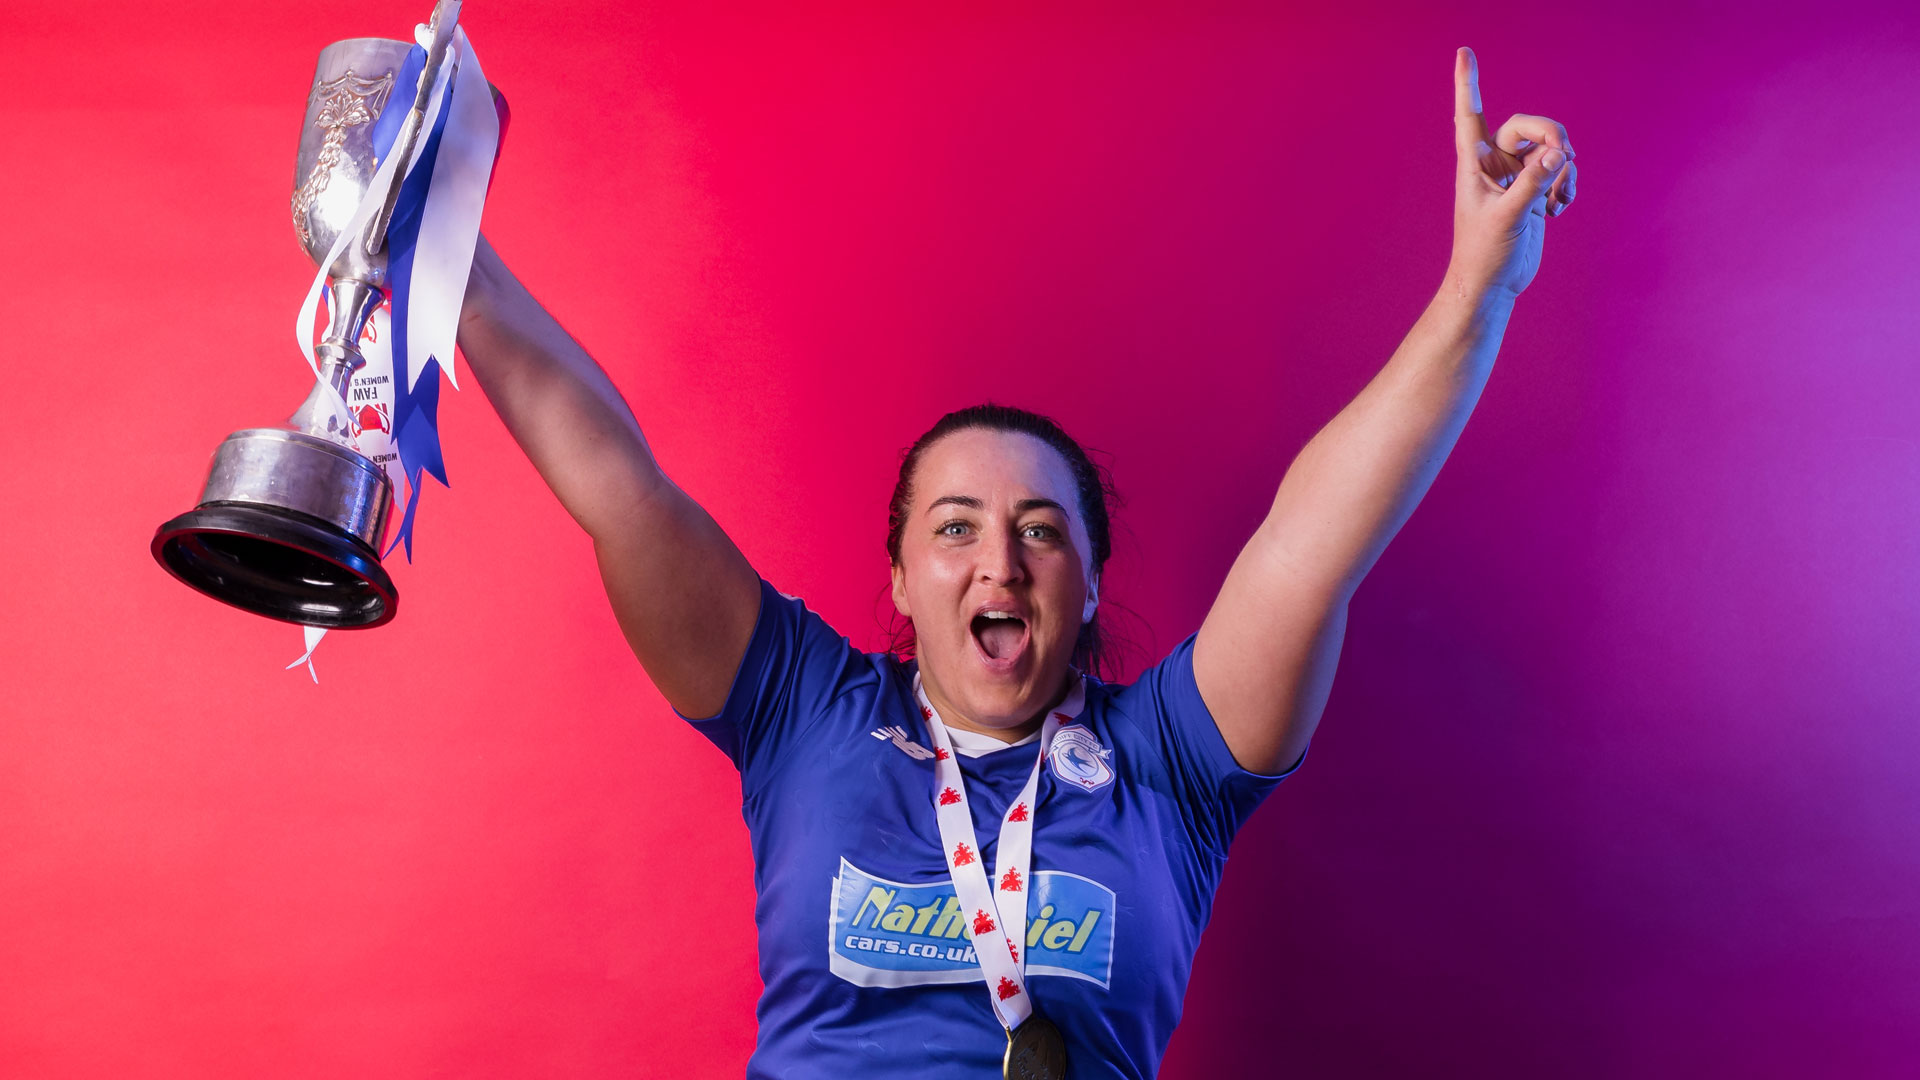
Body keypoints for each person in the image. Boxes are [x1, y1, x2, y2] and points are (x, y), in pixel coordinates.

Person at [454, 46, 1575, 1080]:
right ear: (898, 579)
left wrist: (1479, 292)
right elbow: (619, 488)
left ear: (1088, 581)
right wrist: (453, 252)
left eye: (1041, 529)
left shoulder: (1168, 764)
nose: (999, 558)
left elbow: (1311, 546)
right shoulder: (805, 711)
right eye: (953, 527)